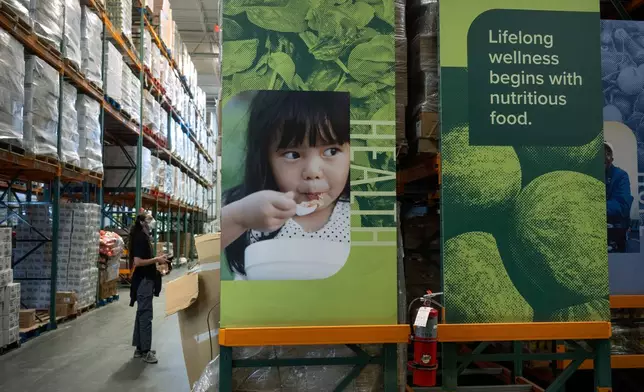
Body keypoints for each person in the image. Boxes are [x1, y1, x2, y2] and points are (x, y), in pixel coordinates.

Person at [222, 90, 351, 280]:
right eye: (293, 155)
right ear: (265, 159)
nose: (313, 172)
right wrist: (239, 218)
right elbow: (200, 249)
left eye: (331, 151)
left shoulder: (361, 214)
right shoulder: (247, 208)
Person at [128, 212, 167, 363]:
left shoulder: (143, 236)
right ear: (143, 222)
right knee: (145, 315)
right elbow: (137, 262)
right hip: (143, 281)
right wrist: (156, 259)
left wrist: (158, 261)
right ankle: (145, 351)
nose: (153, 221)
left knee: (141, 314)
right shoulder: (140, 238)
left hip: (145, 280)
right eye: (150, 219)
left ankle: (139, 348)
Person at [604, 141, 634, 252]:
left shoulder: (621, 176)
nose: (604, 156)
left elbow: (622, 205)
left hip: (614, 236)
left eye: (608, 153)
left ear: (612, 158)